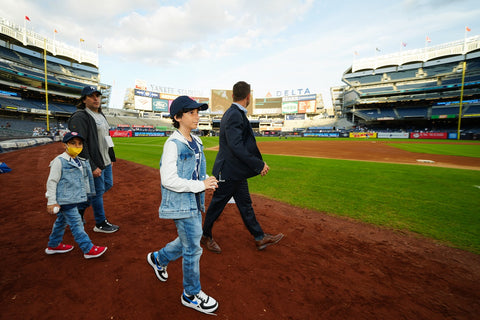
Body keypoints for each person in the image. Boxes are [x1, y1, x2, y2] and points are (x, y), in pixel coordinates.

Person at [147, 96, 219, 315]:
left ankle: (159, 258)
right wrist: (200, 184)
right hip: (179, 202)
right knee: (193, 248)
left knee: (190, 238)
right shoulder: (172, 144)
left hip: (193, 199)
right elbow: (168, 179)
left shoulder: (197, 141)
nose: (197, 116)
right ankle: (190, 294)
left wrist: (207, 180)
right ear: (178, 117)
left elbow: (195, 173)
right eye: (191, 112)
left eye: (198, 112)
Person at [202, 81, 284, 253]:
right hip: (228, 171)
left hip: (236, 172)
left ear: (233, 96)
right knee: (217, 206)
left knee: (245, 205)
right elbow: (236, 146)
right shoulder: (234, 115)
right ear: (248, 97)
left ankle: (259, 238)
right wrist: (259, 164)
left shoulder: (235, 113)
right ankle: (206, 236)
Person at [45, 131, 107, 259]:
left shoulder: (80, 161)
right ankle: (88, 248)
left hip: (73, 199)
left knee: (61, 222)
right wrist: (51, 201)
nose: (77, 146)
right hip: (66, 200)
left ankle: (53, 244)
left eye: (79, 144)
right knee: (76, 223)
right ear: (65, 145)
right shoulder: (59, 161)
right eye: (73, 143)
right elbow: (52, 181)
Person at [68, 85, 119, 233]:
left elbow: (106, 137)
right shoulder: (80, 116)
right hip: (94, 161)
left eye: (97, 95)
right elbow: (78, 144)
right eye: (91, 96)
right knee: (97, 192)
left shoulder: (101, 115)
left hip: (105, 160)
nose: (96, 98)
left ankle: (78, 209)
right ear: (84, 100)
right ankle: (100, 223)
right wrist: (91, 165)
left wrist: (110, 156)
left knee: (107, 185)